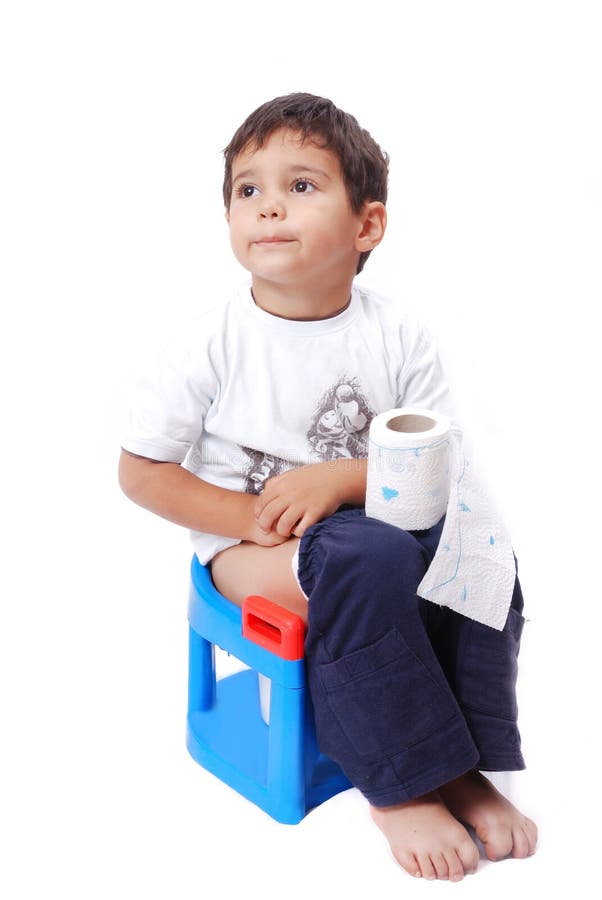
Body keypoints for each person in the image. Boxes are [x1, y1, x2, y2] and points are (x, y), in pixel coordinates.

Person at [118, 92, 537, 882]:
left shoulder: (396, 334)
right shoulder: (213, 342)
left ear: (366, 226)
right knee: (369, 563)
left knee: (482, 552)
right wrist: (252, 515)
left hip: (373, 525)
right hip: (254, 549)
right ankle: (402, 779)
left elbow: (443, 463)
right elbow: (139, 471)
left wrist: (342, 477)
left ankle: (463, 759)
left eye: (301, 186)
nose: (269, 205)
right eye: (249, 189)